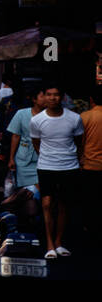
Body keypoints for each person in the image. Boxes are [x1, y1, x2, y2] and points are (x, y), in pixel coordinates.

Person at [30, 83, 84, 259]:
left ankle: (59, 242)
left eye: (56, 94)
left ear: (62, 97)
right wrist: (48, 157)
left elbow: (79, 141)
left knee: (63, 205)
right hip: (46, 167)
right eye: (49, 94)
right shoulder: (37, 120)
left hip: (69, 167)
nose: (53, 98)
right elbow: (36, 143)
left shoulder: (74, 118)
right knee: (46, 204)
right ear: (44, 96)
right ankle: (50, 243)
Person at [6, 86, 46, 191]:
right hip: (23, 159)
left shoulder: (50, 116)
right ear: (34, 99)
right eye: (43, 96)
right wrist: (11, 158)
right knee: (27, 192)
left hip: (44, 159)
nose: (47, 98)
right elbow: (16, 136)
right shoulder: (21, 114)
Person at [81, 88, 102, 249]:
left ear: (91, 99)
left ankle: (89, 228)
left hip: (89, 164)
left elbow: (79, 142)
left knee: (89, 199)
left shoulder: (85, 117)